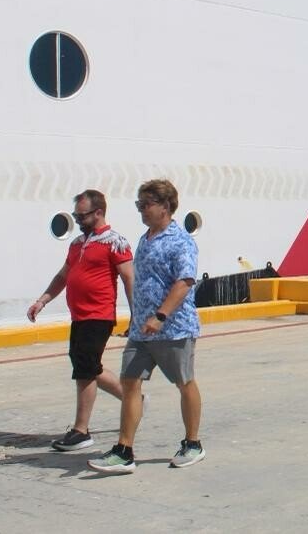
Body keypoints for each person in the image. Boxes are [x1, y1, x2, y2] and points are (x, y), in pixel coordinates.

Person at [89, 179, 204, 474]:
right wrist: (138, 319)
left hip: (173, 328)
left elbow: (185, 281)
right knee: (129, 383)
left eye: (146, 205)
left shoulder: (181, 240)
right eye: (138, 205)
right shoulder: (146, 238)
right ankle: (124, 450)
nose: (141, 210)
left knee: (184, 382)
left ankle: (193, 443)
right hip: (142, 330)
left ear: (165, 206)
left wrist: (161, 316)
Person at [28, 190, 134, 452]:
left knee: (85, 368)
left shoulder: (115, 242)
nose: (77, 219)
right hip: (79, 315)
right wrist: (43, 300)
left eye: (82, 215)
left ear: (99, 212)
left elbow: (129, 279)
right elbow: (63, 276)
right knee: (86, 365)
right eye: (75, 214)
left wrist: (137, 314)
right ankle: (133, 399)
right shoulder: (77, 243)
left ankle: (81, 430)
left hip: (99, 315)